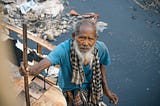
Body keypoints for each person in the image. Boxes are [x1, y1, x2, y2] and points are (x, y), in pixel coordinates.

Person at [19, 19, 118, 106]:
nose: (85, 43)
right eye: (82, 38)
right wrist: (28, 70)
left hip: (91, 86)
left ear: (96, 39)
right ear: (74, 36)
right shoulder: (63, 49)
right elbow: (42, 65)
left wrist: (106, 90)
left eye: (90, 39)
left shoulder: (101, 49)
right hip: (69, 87)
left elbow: (101, 68)